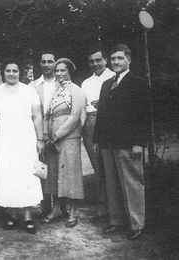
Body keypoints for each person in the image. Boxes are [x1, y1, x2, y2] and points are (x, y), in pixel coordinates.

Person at [0, 58, 44, 234]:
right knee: (8, 173)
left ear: (19, 73)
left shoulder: (29, 90)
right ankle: (12, 215)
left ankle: (28, 216)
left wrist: (40, 139)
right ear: (3, 73)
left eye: (15, 71)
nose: (11, 74)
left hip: (25, 136)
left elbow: (37, 116)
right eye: (8, 71)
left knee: (25, 175)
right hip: (4, 137)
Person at [93, 44, 150, 240]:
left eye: (120, 58)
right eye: (114, 59)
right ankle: (116, 221)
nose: (116, 62)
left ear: (129, 60)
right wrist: (97, 139)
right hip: (107, 142)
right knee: (112, 183)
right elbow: (101, 115)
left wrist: (138, 142)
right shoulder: (107, 84)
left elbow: (143, 116)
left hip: (127, 143)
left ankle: (136, 224)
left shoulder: (138, 83)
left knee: (132, 183)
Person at [42, 58, 86, 228]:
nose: (59, 74)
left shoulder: (76, 90)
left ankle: (73, 211)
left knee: (70, 174)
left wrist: (58, 135)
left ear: (69, 71)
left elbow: (75, 116)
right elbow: (47, 114)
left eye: (62, 70)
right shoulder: (55, 91)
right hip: (52, 140)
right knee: (54, 174)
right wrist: (47, 135)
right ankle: (56, 209)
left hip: (68, 138)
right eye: (57, 71)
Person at [81, 48, 114, 223]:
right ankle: (103, 209)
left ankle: (116, 209)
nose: (95, 64)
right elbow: (83, 109)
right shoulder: (86, 82)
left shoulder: (114, 77)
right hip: (91, 124)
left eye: (98, 60)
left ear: (106, 60)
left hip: (110, 124)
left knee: (111, 167)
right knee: (98, 168)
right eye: (91, 61)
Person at [31, 51, 58, 220]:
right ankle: (45, 205)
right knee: (42, 169)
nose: (47, 64)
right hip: (40, 132)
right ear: (40, 64)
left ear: (55, 63)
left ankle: (59, 206)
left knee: (58, 169)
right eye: (44, 61)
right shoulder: (33, 86)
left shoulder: (61, 83)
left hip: (57, 132)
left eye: (50, 61)